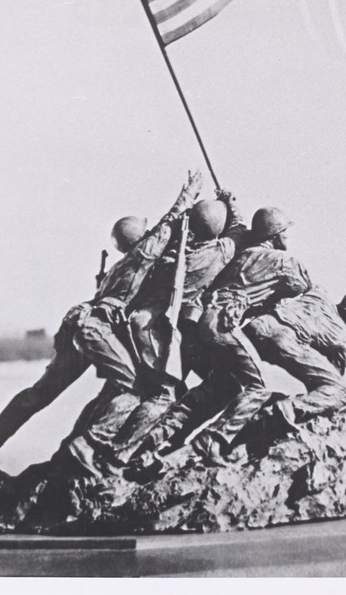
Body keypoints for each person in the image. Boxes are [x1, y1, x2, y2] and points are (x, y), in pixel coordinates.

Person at [0, 170, 202, 477]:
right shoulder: (140, 257)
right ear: (139, 239)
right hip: (94, 329)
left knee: (44, 391)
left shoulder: (120, 267)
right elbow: (165, 229)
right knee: (132, 389)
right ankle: (87, 449)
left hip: (80, 327)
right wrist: (189, 195)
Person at [125, 206, 312, 471]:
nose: (288, 239)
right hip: (223, 324)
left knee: (220, 387)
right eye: (285, 233)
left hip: (202, 324)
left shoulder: (235, 254)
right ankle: (213, 442)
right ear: (275, 234)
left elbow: (237, 230)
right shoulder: (281, 261)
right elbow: (303, 285)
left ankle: (155, 441)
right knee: (256, 388)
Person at [106, 190, 249, 458]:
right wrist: (231, 201)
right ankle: (123, 452)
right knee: (167, 394)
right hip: (169, 332)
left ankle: (158, 442)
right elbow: (239, 230)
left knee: (173, 391)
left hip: (153, 330)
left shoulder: (167, 255)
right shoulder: (217, 252)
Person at [242, 286, 346, 430]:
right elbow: (326, 385)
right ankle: (284, 411)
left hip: (255, 327)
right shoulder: (345, 343)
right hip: (282, 341)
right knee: (340, 392)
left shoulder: (318, 294)